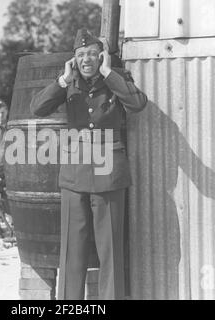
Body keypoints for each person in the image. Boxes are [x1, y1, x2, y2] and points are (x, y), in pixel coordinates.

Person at [30, 28, 148, 300]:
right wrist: (62, 80)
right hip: (75, 173)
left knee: (111, 251)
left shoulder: (115, 79)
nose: (87, 59)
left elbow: (138, 103)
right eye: (81, 55)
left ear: (101, 57)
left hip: (108, 174)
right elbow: (37, 108)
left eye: (92, 54)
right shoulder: (68, 83)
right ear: (74, 59)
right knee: (72, 250)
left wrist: (109, 73)